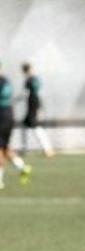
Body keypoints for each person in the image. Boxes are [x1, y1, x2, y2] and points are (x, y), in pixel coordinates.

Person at [0, 61, 31, 190]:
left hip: (1, 116)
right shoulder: (6, 81)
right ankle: (23, 167)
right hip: (9, 115)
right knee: (5, 148)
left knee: (0, 149)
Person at [21, 63, 54, 158]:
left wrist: (15, 100)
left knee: (35, 126)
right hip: (35, 102)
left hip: (33, 103)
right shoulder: (35, 78)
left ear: (24, 71)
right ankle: (25, 148)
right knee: (25, 124)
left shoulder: (29, 80)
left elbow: (26, 93)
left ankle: (47, 149)